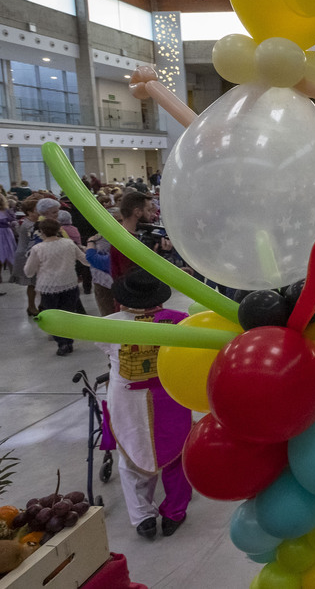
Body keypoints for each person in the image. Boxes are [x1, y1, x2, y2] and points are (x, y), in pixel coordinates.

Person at [97, 268, 193, 539]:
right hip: (169, 395)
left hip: (127, 399)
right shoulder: (179, 321)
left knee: (130, 456)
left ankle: (142, 518)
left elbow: (105, 350)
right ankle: (174, 512)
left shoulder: (108, 325)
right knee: (177, 455)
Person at [23, 218, 90, 356]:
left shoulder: (38, 249)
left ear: (41, 232)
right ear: (59, 229)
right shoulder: (69, 243)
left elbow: (29, 271)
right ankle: (69, 341)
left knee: (53, 316)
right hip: (70, 283)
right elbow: (85, 260)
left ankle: (62, 343)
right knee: (68, 314)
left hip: (48, 286)